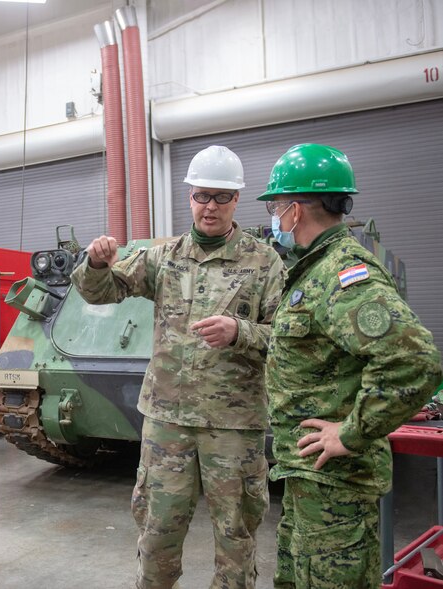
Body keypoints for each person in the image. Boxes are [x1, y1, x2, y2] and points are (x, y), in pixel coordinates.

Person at [71, 145, 286, 589]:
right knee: (157, 528)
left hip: (233, 424)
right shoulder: (164, 257)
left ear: (236, 201)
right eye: (202, 196)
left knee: (237, 533)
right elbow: (102, 292)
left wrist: (239, 331)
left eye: (221, 197)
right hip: (168, 419)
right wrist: (94, 263)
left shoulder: (264, 262)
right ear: (189, 197)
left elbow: (286, 340)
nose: (210, 206)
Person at [258, 143, 442, 588]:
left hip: (336, 486)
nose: (275, 217)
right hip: (308, 479)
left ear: (296, 211)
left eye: (277, 206)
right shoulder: (311, 269)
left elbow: (414, 359)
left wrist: (352, 431)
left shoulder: (342, 273)